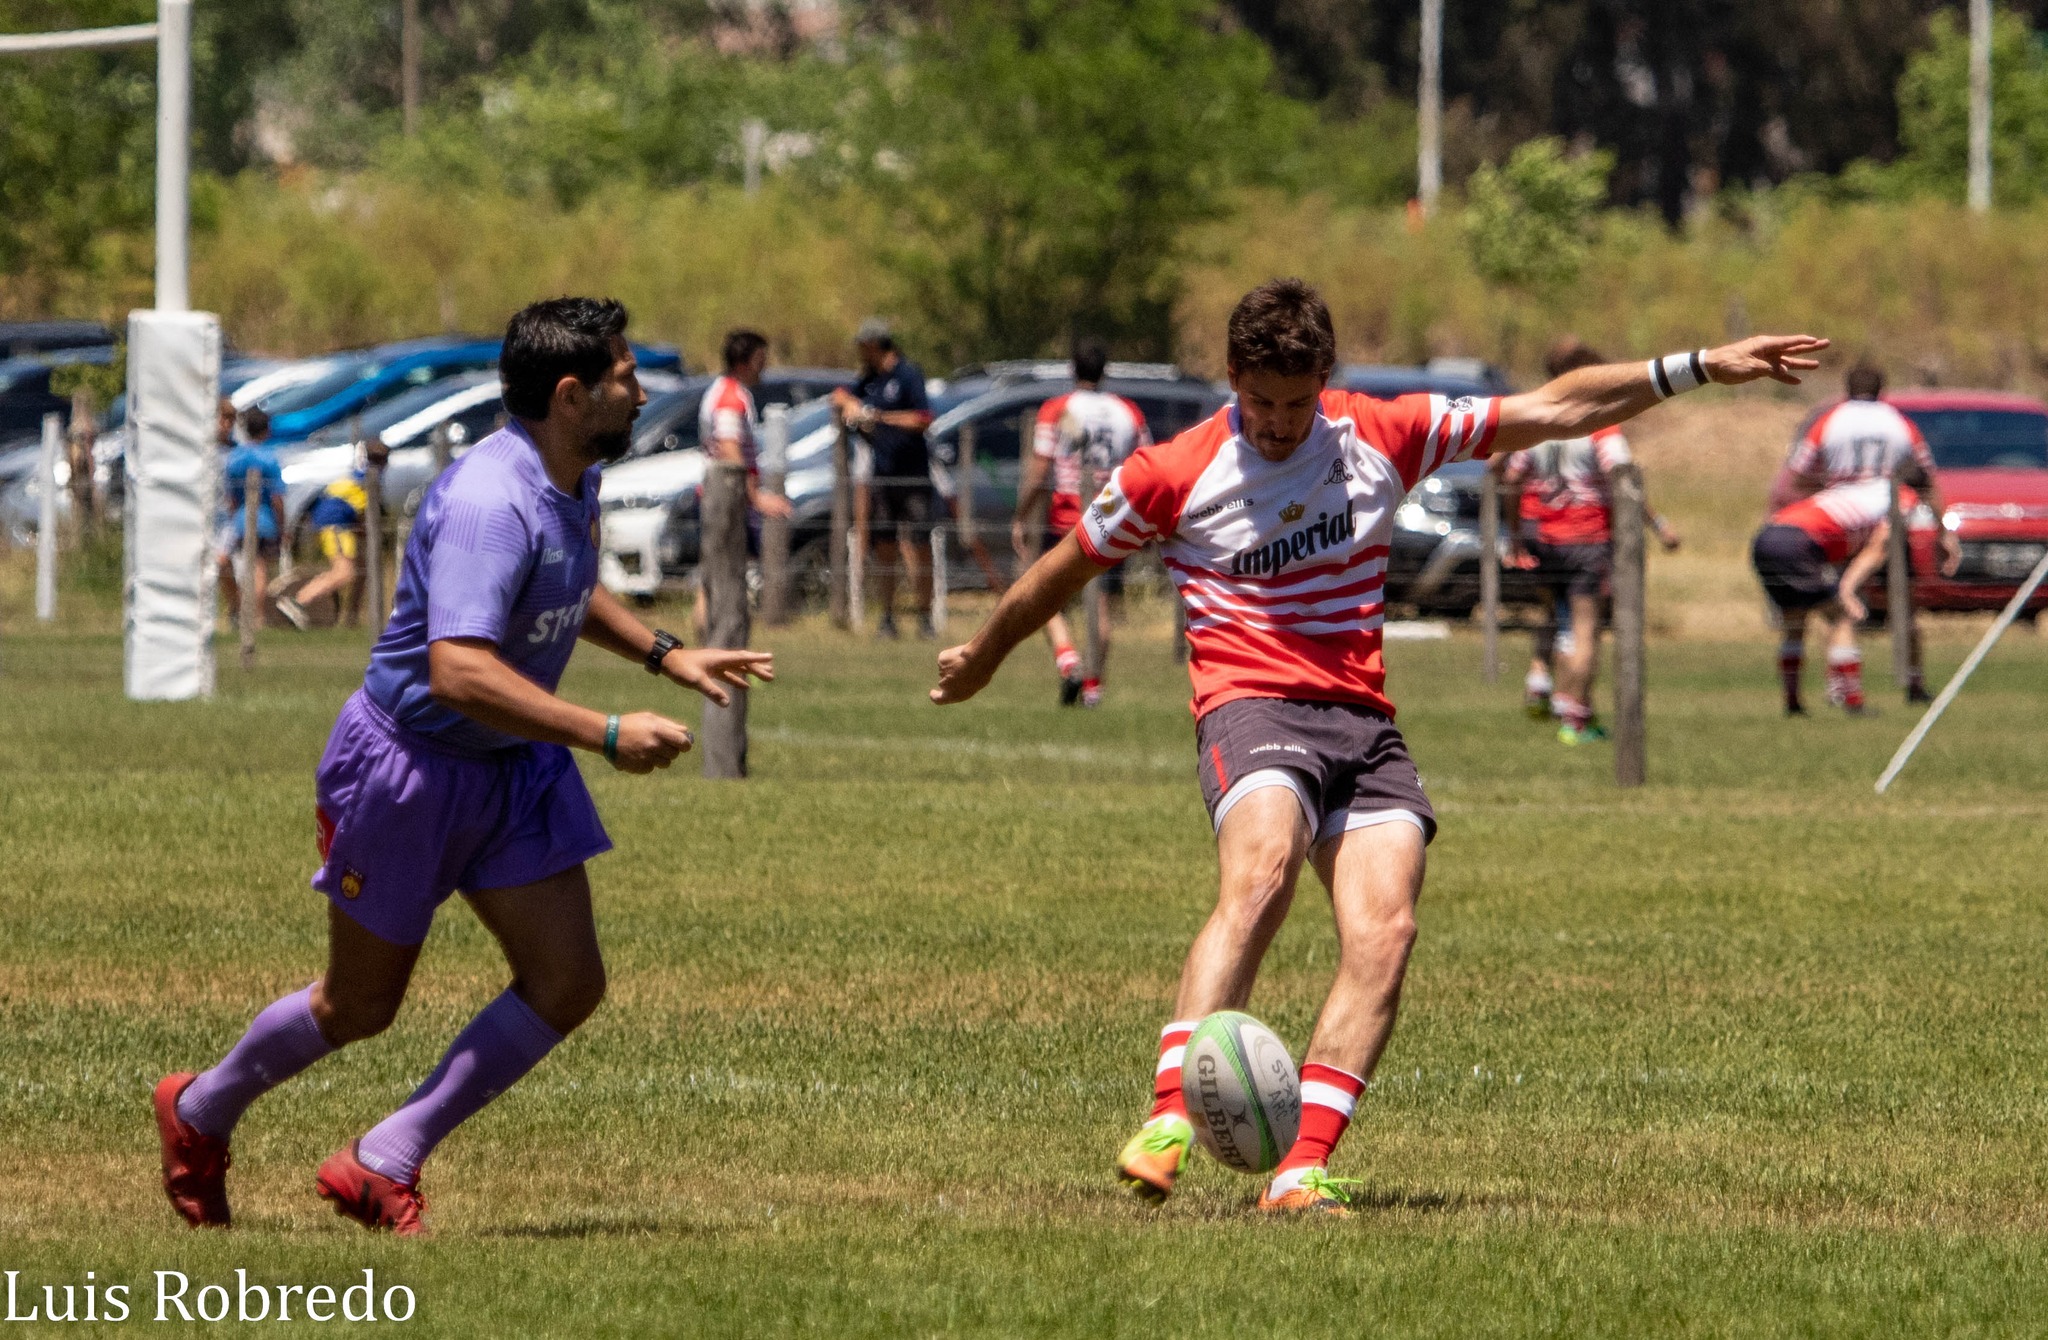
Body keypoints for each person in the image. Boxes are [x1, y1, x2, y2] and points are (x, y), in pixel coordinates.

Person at [931, 278, 1825, 1215]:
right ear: (1232, 378)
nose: (1277, 424)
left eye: (1295, 402)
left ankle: (1300, 1170)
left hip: (1363, 722)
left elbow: (1556, 407)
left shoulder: (1379, 432)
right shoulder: (1173, 470)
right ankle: (1169, 1119)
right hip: (1250, 703)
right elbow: (1060, 569)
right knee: (1262, 871)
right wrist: (988, 654)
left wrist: (1694, 368)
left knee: (1386, 932)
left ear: (1324, 379)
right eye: (1260, 401)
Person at [153, 298, 774, 1237]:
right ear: (571, 396)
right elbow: (458, 670)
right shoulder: (491, 499)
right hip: (410, 769)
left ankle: (383, 1157)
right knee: (359, 1005)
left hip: (510, 766)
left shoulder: (570, 476)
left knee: (567, 981)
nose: (641, 391)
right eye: (624, 377)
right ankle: (199, 1109)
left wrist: (662, 652)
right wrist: (605, 731)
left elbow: (563, 579)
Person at [1498, 339, 1681, 743]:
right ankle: (1574, 715)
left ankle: (1549, 688)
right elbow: (1624, 479)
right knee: (1586, 629)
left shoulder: (1541, 423)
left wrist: (1513, 534)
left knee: (1559, 622)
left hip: (1544, 535)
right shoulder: (1600, 426)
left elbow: (1511, 476)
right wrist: (1658, 525)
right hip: (1587, 537)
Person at [1777, 360, 1959, 701]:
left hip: (1843, 520)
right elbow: (1927, 478)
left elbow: (1799, 474)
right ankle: (1914, 681)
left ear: (1846, 389)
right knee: (1903, 604)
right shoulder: (1900, 423)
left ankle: (1841, 686)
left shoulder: (1828, 421)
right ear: (1881, 389)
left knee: (1836, 604)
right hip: (1890, 517)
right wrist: (1943, 530)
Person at [1012, 336, 1152, 707]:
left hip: (1066, 517)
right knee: (1100, 605)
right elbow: (1146, 464)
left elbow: (1040, 468)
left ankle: (1068, 658)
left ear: (1072, 368)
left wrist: (1022, 514)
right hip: (1112, 518)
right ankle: (1093, 687)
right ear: (1104, 370)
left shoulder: (1058, 408)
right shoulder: (1129, 412)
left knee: (1042, 593)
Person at [1752, 475, 1917, 715]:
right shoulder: (1903, 499)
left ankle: (1792, 702)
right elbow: (1878, 548)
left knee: (1795, 621)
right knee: (1841, 617)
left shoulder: (1853, 488)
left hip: (1767, 536)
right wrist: (1847, 589)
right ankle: (1853, 700)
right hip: (1801, 541)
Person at [831, 318, 935, 639]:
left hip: (913, 476)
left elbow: (923, 418)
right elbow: (838, 395)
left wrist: (879, 417)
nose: (860, 353)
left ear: (875, 345)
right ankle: (887, 617)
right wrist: (852, 405)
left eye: (862, 347)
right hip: (883, 475)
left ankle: (924, 616)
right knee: (884, 547)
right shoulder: (870, 379)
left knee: (919, 546)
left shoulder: (908, 374)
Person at [692, 328, 793, 641]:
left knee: (715, 575)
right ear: (745, 361)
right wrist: (755, 497)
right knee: (720, 576)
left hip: (726, 497)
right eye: (761, 358)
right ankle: (715, 646)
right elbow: (729, 445)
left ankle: (712, 645)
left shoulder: (731, 392)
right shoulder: (729, 396)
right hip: (726, 499)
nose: (765, 366)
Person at [277, 440, 388, 630]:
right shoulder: (369, 481)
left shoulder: (356, 476)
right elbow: (365, 514)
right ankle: (298, 601)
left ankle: (351, 617)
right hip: (336, 527)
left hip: (337, 525)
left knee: (362, 568)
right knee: (344, 572)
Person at [217, 404, 286, 626]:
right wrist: (282, 526)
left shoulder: (234, 458)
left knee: (242, 568)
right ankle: (256, 616)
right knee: (258, 568)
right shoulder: (269, 459)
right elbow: (277, 498)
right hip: (264, 520)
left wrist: (233, 516)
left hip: (239, 520)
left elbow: (231, 497)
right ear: (266, 430)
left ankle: (239, 610)